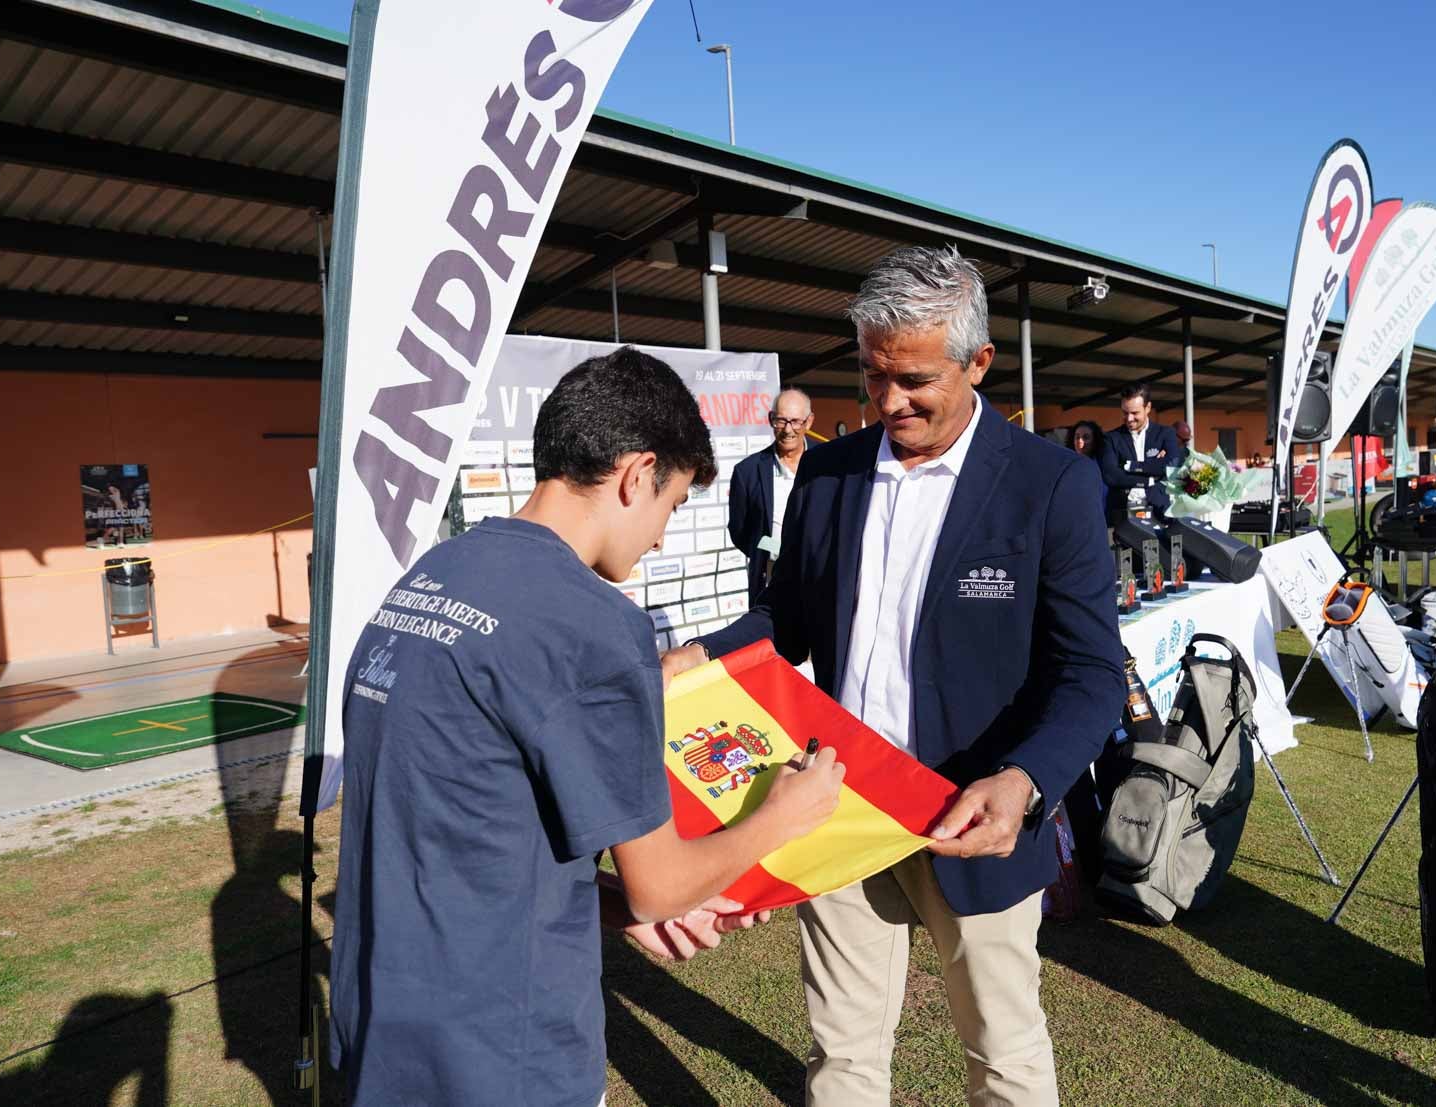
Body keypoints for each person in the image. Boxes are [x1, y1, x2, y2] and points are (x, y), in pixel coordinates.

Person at [664, 246, 1125, 1105]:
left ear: (977, 361)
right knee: (841, 1054)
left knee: (1003, 1051)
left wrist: (1024, 781)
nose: (887, 401)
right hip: (836, 801)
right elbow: (789, 620)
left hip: (971, 815)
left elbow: (1093, 670)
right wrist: (705, 653)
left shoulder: (1049, 483)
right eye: (872, 376)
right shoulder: (832, 473)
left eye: (913, 379)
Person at [331, 346, 846, 1107]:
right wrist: (783, 815)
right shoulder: (593, 621)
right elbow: (660, 884)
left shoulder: (431, 577)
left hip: (385, 1033)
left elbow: (472, 841)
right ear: (637, 474)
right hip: (505, 1054)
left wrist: (606, 902)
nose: (663, 538)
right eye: (670, 507)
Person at [729, 388, 812, 600]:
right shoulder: (747, 471)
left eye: (796, 421)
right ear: (770, 420)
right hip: (770, 581)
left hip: (818, 580)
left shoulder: (828, 464)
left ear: (809, 422)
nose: (788, 429)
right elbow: (739, 531)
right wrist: (769, 549)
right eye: (781, 420)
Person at [1099, 382, 1184, 517]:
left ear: (1148, 407)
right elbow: (1111, 476)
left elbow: (1172, 467)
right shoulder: (1111, 438)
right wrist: (1149, 479)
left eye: (1134, 413)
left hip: (1159, 510)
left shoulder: (1165, 434)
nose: (1129, 418)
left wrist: (1132, 466)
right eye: (1125, 413)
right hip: (1122, 512)